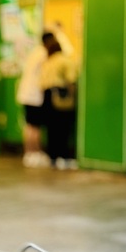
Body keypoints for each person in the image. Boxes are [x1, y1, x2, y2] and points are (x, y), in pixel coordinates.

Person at [40, 35, 79, 169]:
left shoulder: (48, 62)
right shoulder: (65, 61)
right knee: (63, 128)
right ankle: (64, 157)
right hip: (60, 95)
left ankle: (52, 157)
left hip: (46, 96)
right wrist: (73, 96)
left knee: (52, 129)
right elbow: (71, 80)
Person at [17, 39, 50, 168]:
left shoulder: (34, 52)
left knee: (29, 126)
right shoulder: (43, 53)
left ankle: (28, 153)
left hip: (25, 95)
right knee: (35, 127)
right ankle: (35, 153)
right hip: (34, 96)